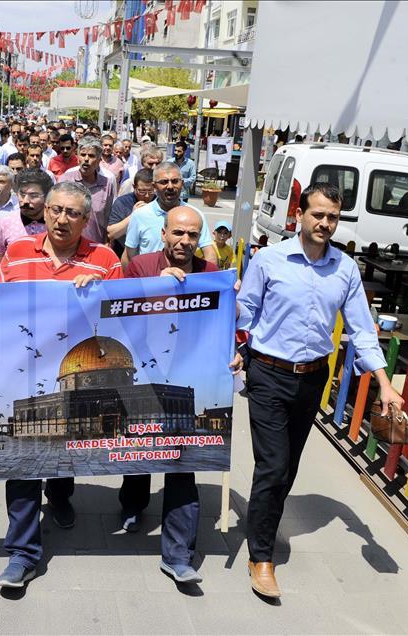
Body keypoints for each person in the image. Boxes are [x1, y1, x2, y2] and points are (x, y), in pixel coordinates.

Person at [236, 182, 404, 599]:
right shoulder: (268, 260)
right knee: (273, 465)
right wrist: (229, 328)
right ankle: (261, 556)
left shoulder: (345, 269)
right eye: (318, 214)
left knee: (287, 468)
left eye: (332, 217)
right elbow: (246, 311)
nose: (325, 223)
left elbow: (363, 330)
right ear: (299, 215)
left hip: (312, 379)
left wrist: (384, 383)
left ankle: (261, 520)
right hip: (268, 375)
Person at [0, 180, 123, 587]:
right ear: (44, 211)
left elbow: (123, 319)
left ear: (87, 220)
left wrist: (98, 294)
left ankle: (62, 496)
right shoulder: (15, 254)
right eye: (55, 210)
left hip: (77, 378)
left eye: (72, 213)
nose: (61, 218)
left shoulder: (104, 260)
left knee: (66, 449)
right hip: (24, 374)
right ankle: (22, 552)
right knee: (24, 460)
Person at [120, 205, 242, 585]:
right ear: (164, 234)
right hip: (145, 373)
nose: (184, 242)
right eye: (178, 233)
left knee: (182, 465)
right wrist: (158, 285)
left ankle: (178, 554)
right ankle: (133, 505)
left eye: (192, 235)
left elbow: (232, 323)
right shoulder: (141, 266)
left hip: (189, 380)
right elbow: (120, 311)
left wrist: (236, 346)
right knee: (140, 453)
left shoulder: (211, 275)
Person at [124, 162, 215, 266]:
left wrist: (210, 279)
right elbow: (128, 256)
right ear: (154, 186)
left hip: (184, 280)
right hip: (150, 279)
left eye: (175, 181)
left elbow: (209, 253)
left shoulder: (195, 215)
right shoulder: (140, 215)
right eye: (164, 182)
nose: (170, 186)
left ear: (182, 183)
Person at [0, 168, 52, 281]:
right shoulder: (6, 222)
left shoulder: (55, 224)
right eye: (22, 194)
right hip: (14, 291)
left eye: (33, 196)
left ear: (46, 196)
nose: (25, 201)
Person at [58, 136, 116, 244]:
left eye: (91, 156)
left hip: (95, 246)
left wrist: (108, 243)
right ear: (77, 157)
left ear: (99, 160)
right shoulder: (65, 180)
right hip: (67, 245)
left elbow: (108, 217)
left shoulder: (107, 184)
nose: (86, 159)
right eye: (83, 155)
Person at [106, 168, 154, 255]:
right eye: (142, 191)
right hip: (124, 253)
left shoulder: (158, 202)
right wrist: (133, 216)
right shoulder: (122, 202)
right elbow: (111, 234)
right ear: (134, 187)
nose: (147, 196)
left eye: (150, 191)